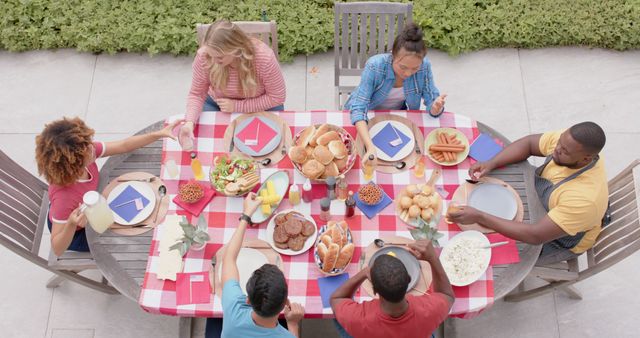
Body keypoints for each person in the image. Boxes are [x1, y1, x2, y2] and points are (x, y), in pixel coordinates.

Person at [449, 122, 609, 266]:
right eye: (559, 142)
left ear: (586, 159)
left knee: (480, 256)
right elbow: (529, 144)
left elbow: (535, 236)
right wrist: (492, 163)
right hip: (542, 205)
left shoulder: (583, 200)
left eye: (564, 151)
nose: (556, 149)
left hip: (556, 240)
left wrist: (480, 216)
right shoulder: (568, 142)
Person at [35, 117, 182, 256]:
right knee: (136, 239)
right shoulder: (64, 198)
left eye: (87, 143)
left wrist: (159, 134)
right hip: (77, 232)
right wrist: (72, 224)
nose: (91, 148)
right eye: (85, 149)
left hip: (93, 208)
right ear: (73, 163)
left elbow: (123, 145)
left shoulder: (85, 151)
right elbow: (57, 248)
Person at [345, 22, 447, 166]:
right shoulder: (375, 66)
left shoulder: (425, 66)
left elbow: (432, 101)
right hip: (367, 115)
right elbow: (358, 108)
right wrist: (370, 147)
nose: (407, 73)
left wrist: (435, 108)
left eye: (414, 68)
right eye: (403, 67)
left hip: (397, 115)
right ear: (392, 55)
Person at [179, 20, 286, 150]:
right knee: (210, 145)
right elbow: (197, 94)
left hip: (263, 104)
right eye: (211, 55)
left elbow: (277, 97)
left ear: (236, 50)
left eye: (219, 58)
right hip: (217, 103)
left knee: (269, 146)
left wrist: (237, 106)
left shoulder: (264, 58)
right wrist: (189, 123)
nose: (213, 61)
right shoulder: (204, 56)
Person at [217, 193, 304, 337]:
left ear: (248, 300)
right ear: (284, 305)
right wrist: (293, 323)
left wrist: (246, 215)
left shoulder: (233, 310)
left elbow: (229, 258)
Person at [330, 240, 454, 338]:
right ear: (409, 279)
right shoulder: (430, 310)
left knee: (337, 319)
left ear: (374, 291)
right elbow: (447, 295)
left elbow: (336, 299)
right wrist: (433, 258)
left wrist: (363, 273)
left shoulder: (359, 318)